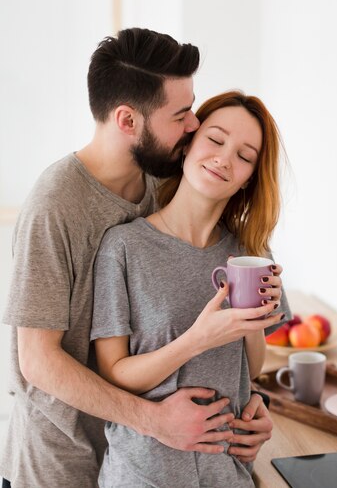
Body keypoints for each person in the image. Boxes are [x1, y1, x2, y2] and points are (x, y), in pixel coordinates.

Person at [1, 29, 281, 488]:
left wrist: (252, 407)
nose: (193, 126)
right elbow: (37, 362)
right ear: (128, 120)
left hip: (149, 451)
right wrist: (153, 421)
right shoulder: (55, 206)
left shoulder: (159, 189)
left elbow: (200, 331)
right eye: (181, 115)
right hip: (59, 465)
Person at [91, 90, 291, 488]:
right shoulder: (124, 247)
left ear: (249, 178)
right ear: (188, 145)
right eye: (215, 140)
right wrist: (196, 340)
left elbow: (249, 369)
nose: (224, 159)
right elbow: (114, 372)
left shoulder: (251, 254)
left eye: (244, 156)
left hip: (226, 474)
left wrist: (252, 320)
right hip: (143, 475)